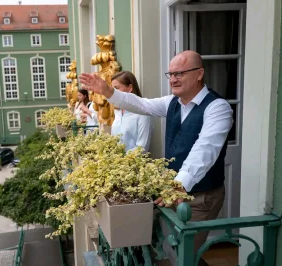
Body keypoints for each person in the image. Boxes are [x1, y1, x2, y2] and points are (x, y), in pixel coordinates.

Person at [79, 50, 233, 265]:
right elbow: (141, 105)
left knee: (184, 255)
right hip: (171, 192)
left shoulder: (218, 107)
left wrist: (178, 185)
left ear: (199, 74)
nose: (173, 79)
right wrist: (107, 91)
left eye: (179, 73)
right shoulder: (172, 102)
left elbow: (206, 149)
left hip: (200, 197)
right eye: (170, 74)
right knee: (171, 252)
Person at [109, 71, 153, 153]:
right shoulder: (117, 112)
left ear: (130, 88)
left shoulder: (142, 113)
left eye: (116, 88)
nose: (113, 92)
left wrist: (122, 159)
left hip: (134, 164)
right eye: (112, 88)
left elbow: (142, 148)